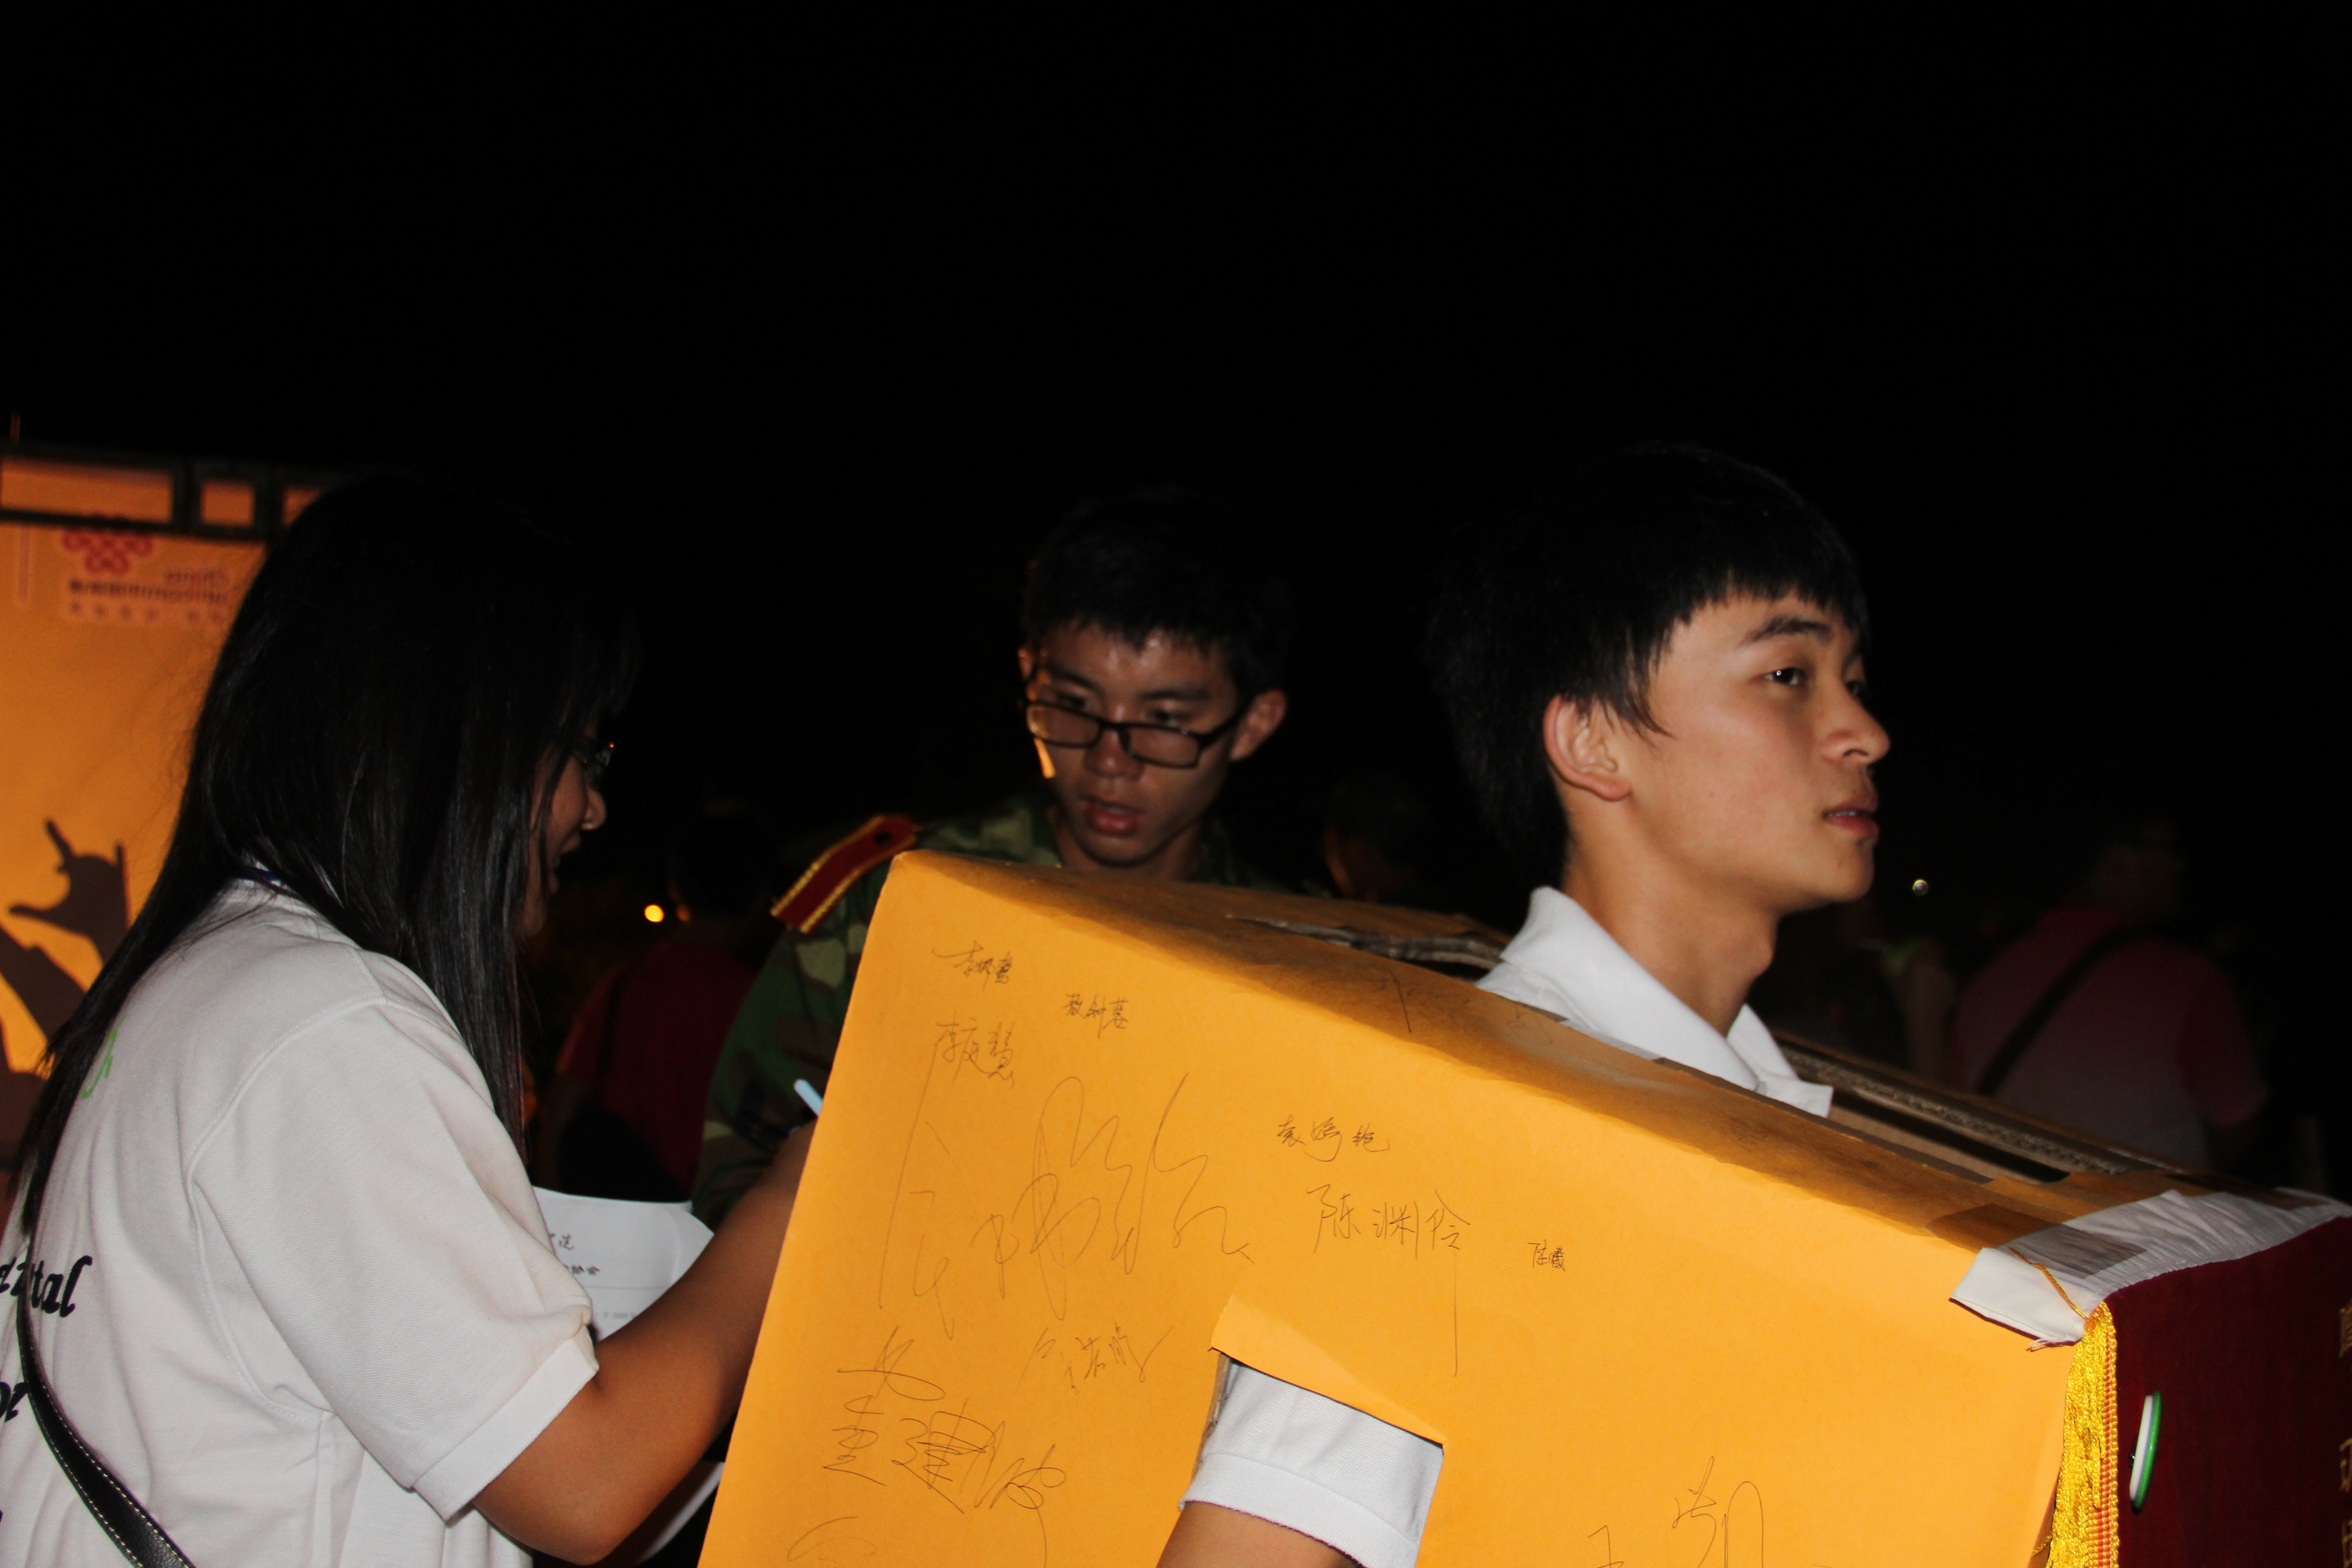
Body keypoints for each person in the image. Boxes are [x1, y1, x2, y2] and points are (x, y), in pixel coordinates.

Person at [0, 479, 811, 1566]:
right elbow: (586, 1482)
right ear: (463, 737)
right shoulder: (323, 1021)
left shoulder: (202, 984)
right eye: (580, 751)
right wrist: (791, 1201)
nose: (593, 806)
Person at [1159, 445, 1886, 1568]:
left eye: (1853, 677)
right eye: (1787, 675)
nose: (1862, 731)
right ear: (1592, 741)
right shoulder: (1459, 1140)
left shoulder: (1746, 1107)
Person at [694, 489, 1295, 1222]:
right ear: (1029, 674)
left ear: (1253, 723)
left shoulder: (1302, 960)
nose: (1110, 759)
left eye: (1164, 721)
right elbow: (739, 1174)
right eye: (1074, 705)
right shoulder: (894, 902)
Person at [1947, 808, 2266, 1169]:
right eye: (2168, 848)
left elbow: (1961, 1111)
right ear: (2117, 862)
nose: (2179, 865)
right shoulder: (2186, 979)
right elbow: (2237, 1125)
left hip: (2007, 1199)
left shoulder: (1986, 980)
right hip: (2142, 1205)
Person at [533, 804, 784, 1200]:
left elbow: (564, 1105)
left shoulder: (626, 984)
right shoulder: (763, 1001)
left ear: (676, 888)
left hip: (621, 1209)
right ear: (760, 900)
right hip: (714, 1216)